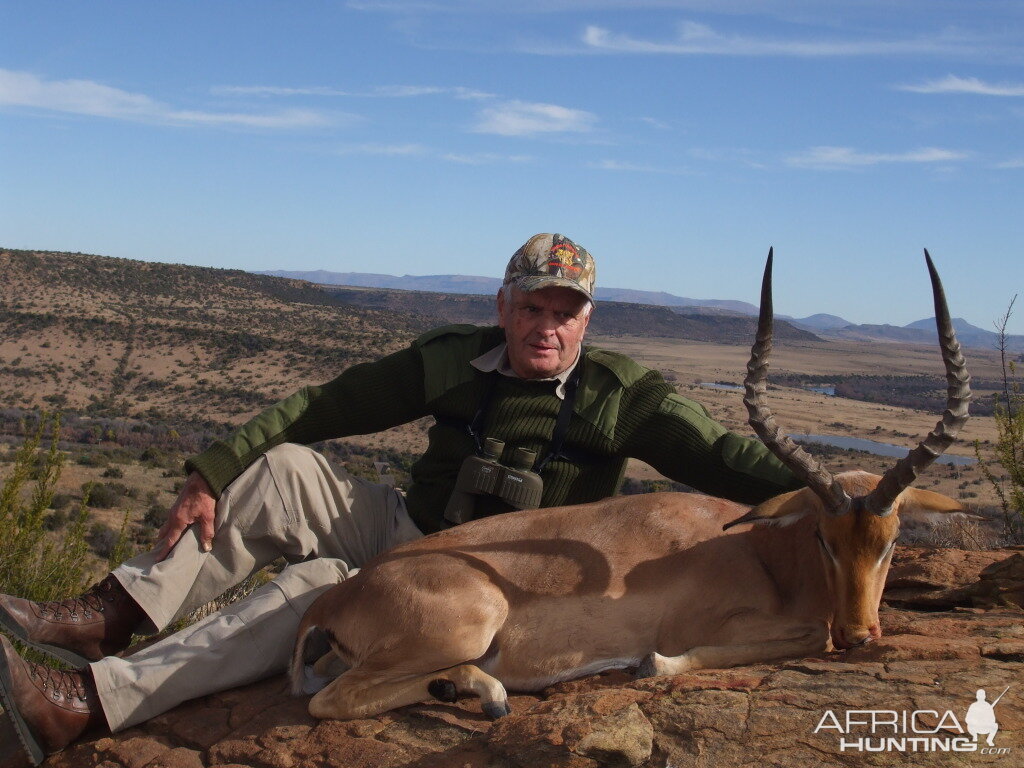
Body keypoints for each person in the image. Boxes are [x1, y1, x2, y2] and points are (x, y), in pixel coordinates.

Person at [0, 233, 801, 764]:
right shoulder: (453, 362)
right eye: (532, 308)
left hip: (487, 589)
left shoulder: (627, 398)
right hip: (409, 532)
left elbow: (729, 460)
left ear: (588, 321)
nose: (546, 326)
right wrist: (212, 470)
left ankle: (91, 707)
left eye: (564, 313)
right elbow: (320, 408)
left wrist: (865, 495)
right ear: (503, 307)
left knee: (309, 594)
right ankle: (111, 616)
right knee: (279, 468)